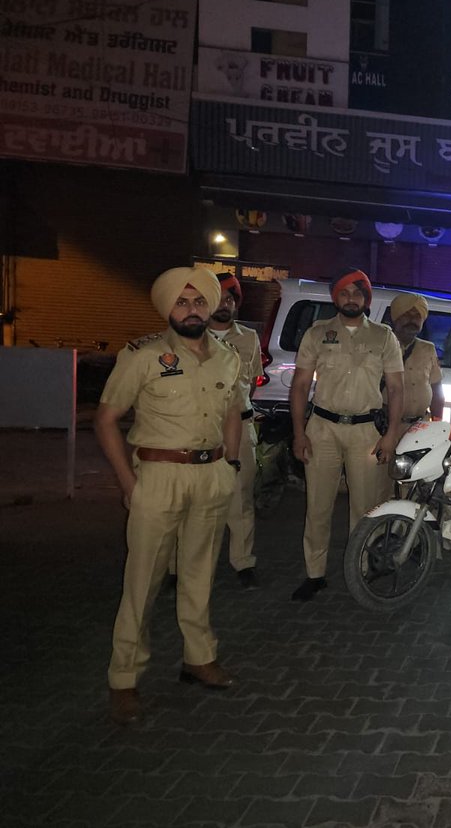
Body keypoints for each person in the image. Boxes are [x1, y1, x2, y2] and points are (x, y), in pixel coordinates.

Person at [95, 268, 243, 726]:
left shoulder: (227, 356)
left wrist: (231, 464)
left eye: (200, 302)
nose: (193, 310)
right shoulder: (143, 355)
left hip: (210, 475)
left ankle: (199, 657)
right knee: (143, 582)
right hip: (158, 476)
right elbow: (106, 419)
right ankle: (125, 678)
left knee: (200, 573)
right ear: (167, 309)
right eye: (183, 303)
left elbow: (235, 412)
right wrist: (129, 484)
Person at [289, 268, 405, 602]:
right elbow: (299, 385)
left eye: (357, 293)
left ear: (367, 299)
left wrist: (391, 435)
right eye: (344, 293)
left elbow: (396, 389)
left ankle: (361, 570)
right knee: (318, 506)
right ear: (335, 298)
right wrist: (299, 433)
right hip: (322, 429)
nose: (351, 298)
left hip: (366, 431)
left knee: (365, 507)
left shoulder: (384, 337)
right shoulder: (317, 333)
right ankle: (315, 574)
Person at [210, 273, 265, 589]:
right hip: (203, 426)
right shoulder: (192, 335)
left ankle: (242, 562)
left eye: (230, 298)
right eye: (218, 297)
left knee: (240, 496)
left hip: (241, 426)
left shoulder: (248, 338)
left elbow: (252, 383)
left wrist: (242, 411)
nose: (225, 304)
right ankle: (179, 568)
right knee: (194, 497)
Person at [387, 292, 445, 426]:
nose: (412, 320)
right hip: (386, 425)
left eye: (417, 316)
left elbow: (437, 390)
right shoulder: (382, 346)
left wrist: (437, 424)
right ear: (396, 317)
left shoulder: (428, 349)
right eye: (407, 315)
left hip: (420, 426)